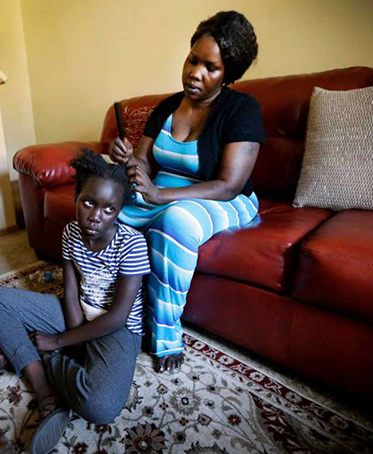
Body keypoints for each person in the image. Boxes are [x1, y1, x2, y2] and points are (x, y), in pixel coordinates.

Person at [109, 11, 265, 373]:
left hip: (224, 199)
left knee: (176, 221)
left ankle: (165, 335)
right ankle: (110, 307)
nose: (195, 72)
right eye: (193, 60)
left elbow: (229, 185)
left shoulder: (242, 109)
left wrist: (160, 196)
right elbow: (145, 163)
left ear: (229, 73)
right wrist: (129, 161)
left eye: (210, 67)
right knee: (108, 207)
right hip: (165, 191)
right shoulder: (166, 106)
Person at [0, 149, 150, 454]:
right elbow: (70, 290)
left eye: (109, 209)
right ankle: (45, 390)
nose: (96, 216)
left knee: (100, 407)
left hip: (117, 330)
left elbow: (119, 317)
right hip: (77, 313)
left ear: (120, 209)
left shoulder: (132, 243)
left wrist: (58, 342)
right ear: (76, 197)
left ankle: (35, 353)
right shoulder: (71, 232)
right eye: (89, 203)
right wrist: (74, 337)